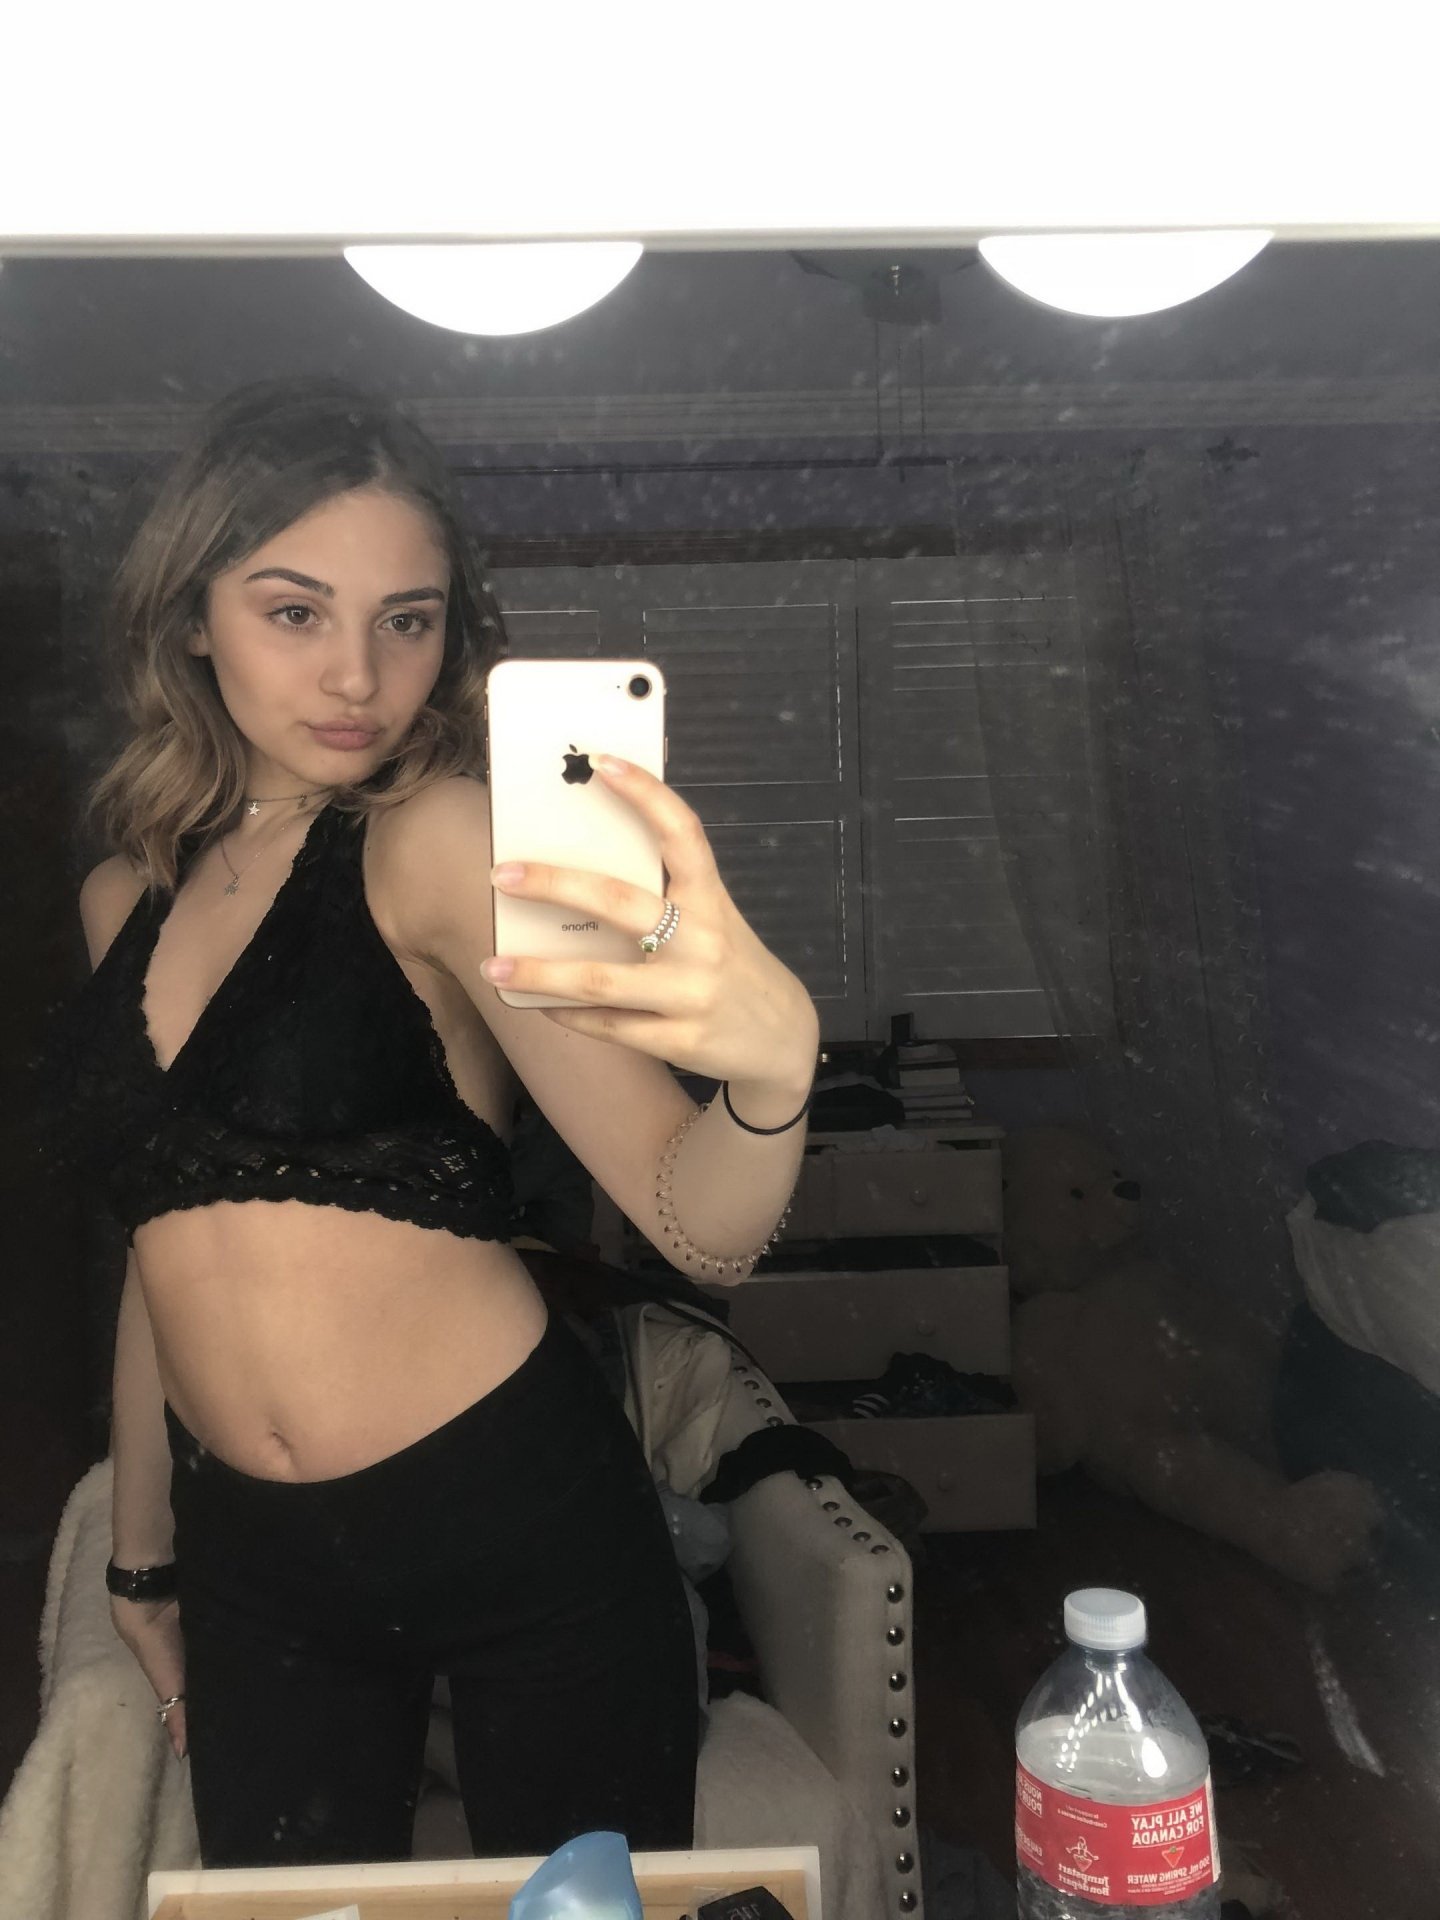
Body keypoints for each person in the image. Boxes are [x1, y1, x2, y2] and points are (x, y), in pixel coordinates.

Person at [50, 376, 820, 1870]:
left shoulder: (438, 841)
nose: (358, 674)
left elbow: (697, 1223)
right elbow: (163, 1252)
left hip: (513, 1520)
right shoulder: (118, 898)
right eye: (295, 611)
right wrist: (145, 1556)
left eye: (405, 620)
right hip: (256, 1564)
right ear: (192, 618)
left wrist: (773, 1073)